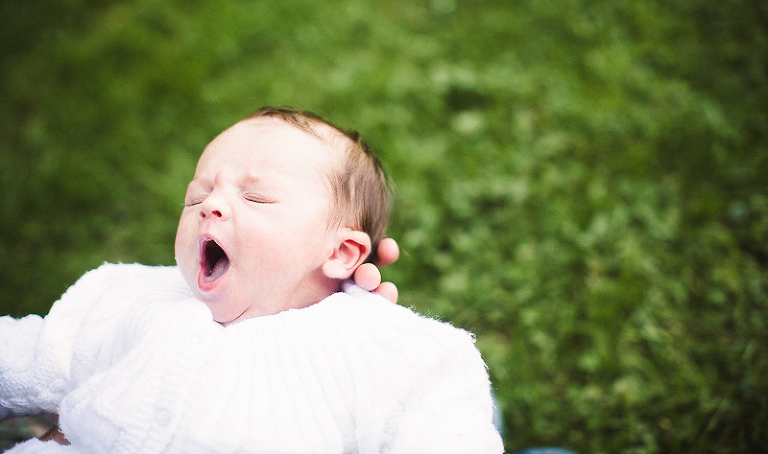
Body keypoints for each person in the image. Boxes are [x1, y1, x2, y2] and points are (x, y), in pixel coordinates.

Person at [0, 107, 504, 453]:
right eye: (197, 197)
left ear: (340, 252)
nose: (210, 206)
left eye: (257, 198)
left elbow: (441, 419)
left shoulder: (377, 346)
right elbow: (26, 354)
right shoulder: (133, 297)